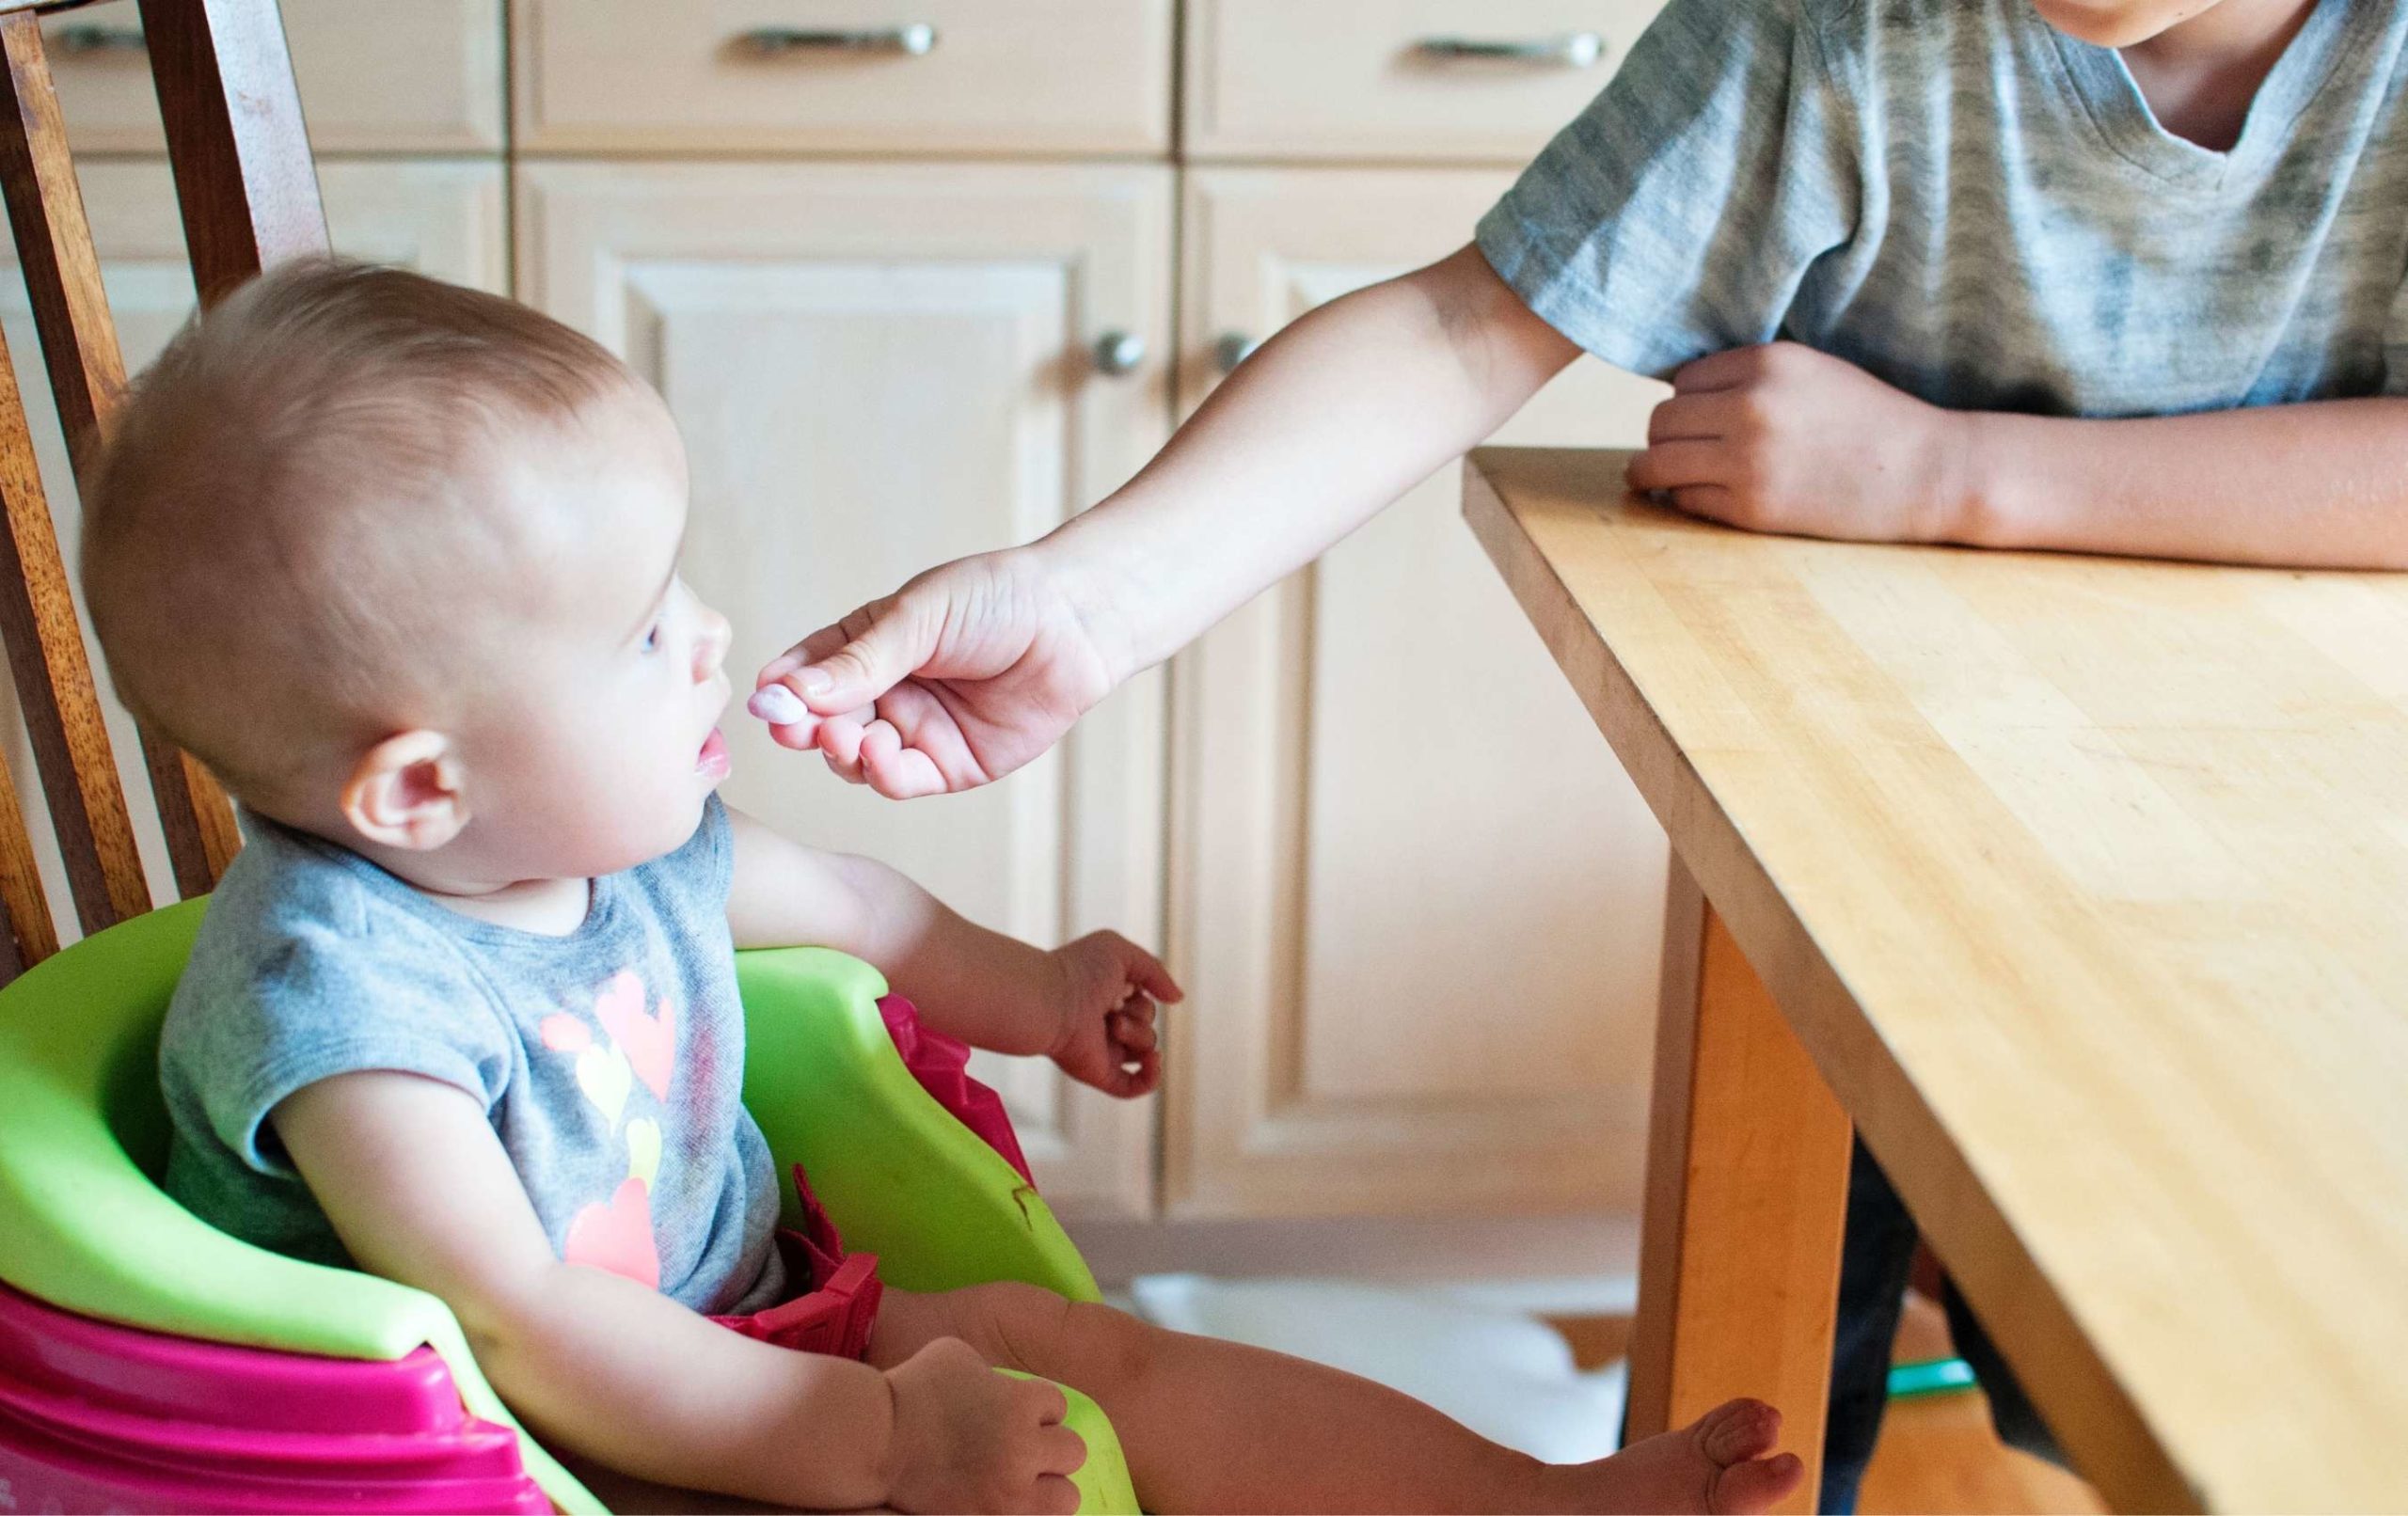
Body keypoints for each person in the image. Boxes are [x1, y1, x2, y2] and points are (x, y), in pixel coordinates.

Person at [744, 0, 2408, 1506]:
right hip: (1864, 832)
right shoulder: (1833, 28)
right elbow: (1471, 328)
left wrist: (1949, 474)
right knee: (1782, 1355)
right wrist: (1086, 604)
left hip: (2276, 869)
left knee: (2151, 1374)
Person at [87, 260, 1805, 1514]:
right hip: (515, 1455)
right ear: (419, 787)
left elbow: (864, 910)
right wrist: (886, 1442)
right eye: (638, 635)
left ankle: (1531, 1502)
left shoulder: (604, 843)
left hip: (750, 1327)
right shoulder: (354, 1015)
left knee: (1089, 1355)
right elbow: (518, 1329)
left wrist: (1041, 991)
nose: (710, 641)